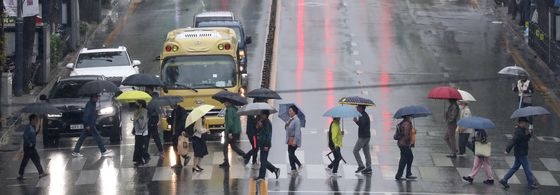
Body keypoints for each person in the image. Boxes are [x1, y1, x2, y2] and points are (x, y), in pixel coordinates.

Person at [499, 117, 538, 190]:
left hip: (520, 152)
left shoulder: (521, 130)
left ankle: (504, 180)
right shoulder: (519, 132)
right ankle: (531, 183)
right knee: (527, 168)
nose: (525, 124)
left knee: (515, 167)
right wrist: (507, 150)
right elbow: (513, 141)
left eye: (525, 123)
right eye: (524, 123)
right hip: (521, 153)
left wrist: (529, 134)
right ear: (520, 123)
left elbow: (525, 139)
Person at [17, 114, 48, 181]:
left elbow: (33, 135)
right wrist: (29, 143)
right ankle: (20, 175)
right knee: (25, 161)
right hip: (28, 147)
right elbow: (25, 136)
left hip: (32, 147)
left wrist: (38, 129)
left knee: (36, 159)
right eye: (36, 119)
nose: (37, 120)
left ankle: (41, 173)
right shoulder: (28, 127)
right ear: (32, 120)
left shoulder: (33, 126)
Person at [219, 100, 246, 168]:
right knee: (233, 146)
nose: (224, 103)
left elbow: (230, 122)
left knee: (225, 147)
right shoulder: (234, 109)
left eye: (225, 102)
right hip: (236, 130)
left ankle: (226, 162)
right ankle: (244, 155)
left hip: (231, 131)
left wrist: (229, 132)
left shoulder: (230, 110)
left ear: (229, 103)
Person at [256, 110, 280, 181]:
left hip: (265, 144)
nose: (260, 115)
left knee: (263, 161)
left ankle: (261, 176)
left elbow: (268, 135)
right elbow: (261, 132)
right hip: (262, 143)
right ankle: (275, 169)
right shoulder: (263, 122)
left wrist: (267, 145)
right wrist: (259, 126)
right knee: (263, 160)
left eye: (261, 114)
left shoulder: (266, 122)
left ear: (265, 115)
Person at [243, 99, 265, 167]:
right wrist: (258, 121)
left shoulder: (257, 112)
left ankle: (249, 158)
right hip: (252, 133)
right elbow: (254, 122)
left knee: (255, 147)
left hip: (255, 133)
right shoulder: (251, 112)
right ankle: (250, 159)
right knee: (256, 147)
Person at [395, 115, 417, 180]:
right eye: (410, 117)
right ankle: (399, 175)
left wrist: (412, 132)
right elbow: (406, 135)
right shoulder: (407, 124)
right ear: (407, 117)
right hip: (405, 144)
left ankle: (407, 173)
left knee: (409, 158)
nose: (411, 118)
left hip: (401, 143)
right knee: (404, 159)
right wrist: (410, 141)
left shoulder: (402, 123)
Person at [168, 104, 190, 168]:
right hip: (174, 132)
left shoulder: (181, 110)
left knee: (179, 147)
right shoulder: (173, 111)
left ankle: (184, 158)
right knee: (175, 148)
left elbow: (183, 121)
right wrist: (169, 120)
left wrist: (183, 130)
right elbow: (173, 122)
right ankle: (179, 162)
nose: (170, 106)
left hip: (179, 132)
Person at [353, 105, 372, 174]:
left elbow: (362, 125)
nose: (356, 108)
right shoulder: (363, 114)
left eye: (357, 107)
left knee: (355, 151)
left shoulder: (363, 116)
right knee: (366, 152)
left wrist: (356, 121)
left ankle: (361, 165)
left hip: (363, 137)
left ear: (361, 108)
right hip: (367, 136)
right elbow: (362, 125)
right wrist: (357, 121)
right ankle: (369, 167)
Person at [285, 105, 303, 174]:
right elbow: (287, 129)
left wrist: (295, 141)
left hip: (294, 139)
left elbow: (297, 132)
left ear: (294, 112)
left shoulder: (297, 120)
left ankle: (299, 164)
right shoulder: (290, 119)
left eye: (290, 111)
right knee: (290, 153)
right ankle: (293, 169)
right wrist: (286, 125)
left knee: (291, 153)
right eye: (289, 111)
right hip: (290, 139)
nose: (289, 112)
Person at [132, 100, 150, 166]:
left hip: (142, 132)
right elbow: (134, 122)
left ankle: (146, 157)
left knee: (140, 147)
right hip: (138, 132)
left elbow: (142, 124)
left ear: (141, 104)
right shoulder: (137, 111)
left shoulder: (144, 111)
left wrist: (136, 118)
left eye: (137, 103)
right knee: (137, 147)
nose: (135, 105)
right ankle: (139, 160)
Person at [147, 92, 164, 158]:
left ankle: (160, 151)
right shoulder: (155, 102)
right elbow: (159, 112)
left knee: (150, 136)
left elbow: (157, 112)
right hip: (153, 121)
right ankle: (161, 151)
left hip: (151, 121)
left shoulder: (152, 102)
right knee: (155, 136)